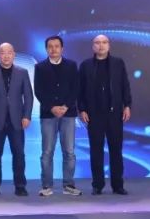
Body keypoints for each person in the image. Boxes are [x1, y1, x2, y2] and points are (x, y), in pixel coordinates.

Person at [78, 34, 132, 195]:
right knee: (96, 151)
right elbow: (80, 89)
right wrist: (82, 109)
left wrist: (127, 105)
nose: (101, 45)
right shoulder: (86, 65)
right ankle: (97, 184)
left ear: (109, 45)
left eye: (104, 42)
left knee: (116, 150)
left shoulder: (118, 63)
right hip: (94, 114)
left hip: (114, 114)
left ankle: (117, 185)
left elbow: (125, 85)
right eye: (97, 43)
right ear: (92, 46)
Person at [0, 43, 33, 197]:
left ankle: (20, 185)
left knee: (19, 154)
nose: (6, 55)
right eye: (3, 53)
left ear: (14, 54)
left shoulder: (22, 72)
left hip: (17, 120)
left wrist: (27, 115)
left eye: (9, 52)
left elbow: (28, 96)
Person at [33, 35, 81, 196]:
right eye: (50, 46)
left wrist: (66, 106)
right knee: (47, 151)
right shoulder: (40, 67)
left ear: (62, 48)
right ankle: (47, 186)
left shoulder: (71, 65)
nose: (53, 49)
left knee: (69, 151)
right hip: (48, 114)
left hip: (69, 113)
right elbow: (38, 91)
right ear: (46, 49)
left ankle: (69, 185)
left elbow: (76, 88)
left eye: (56, 46)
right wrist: (52, 107)